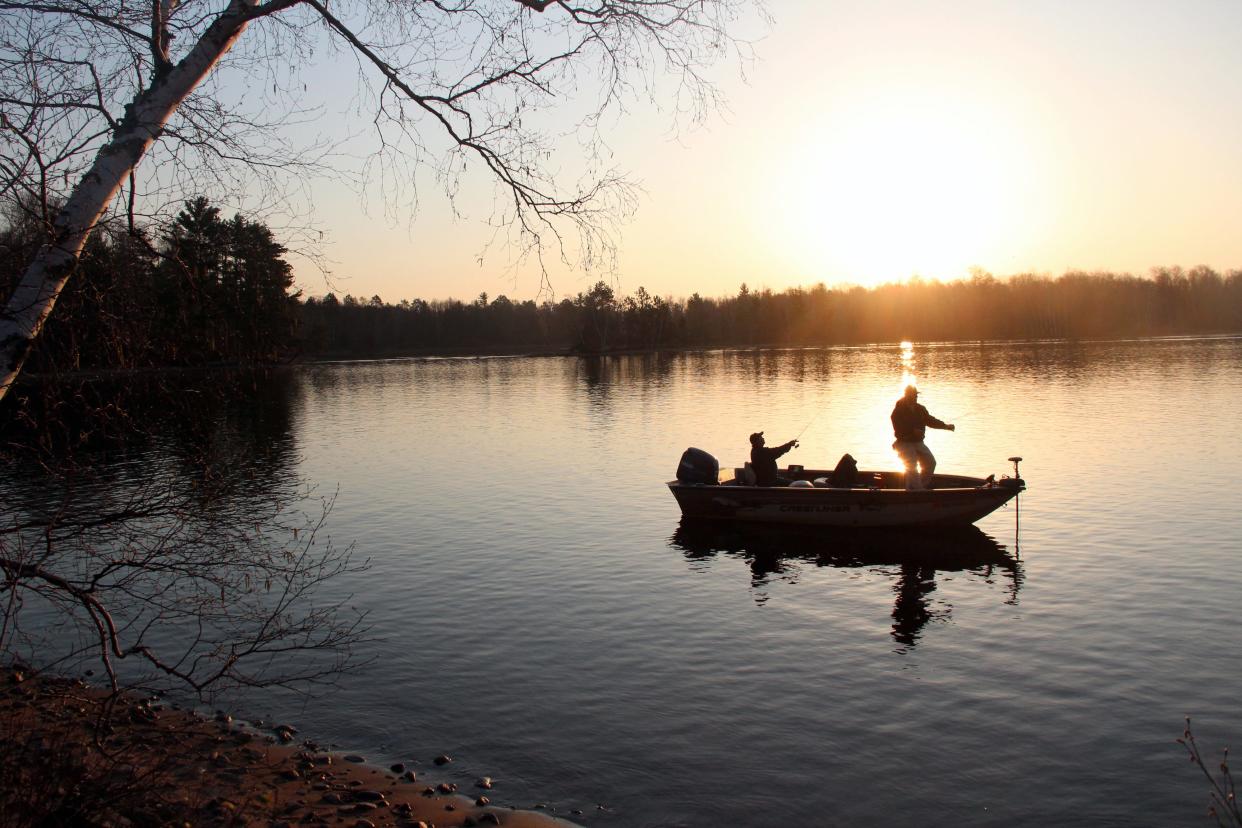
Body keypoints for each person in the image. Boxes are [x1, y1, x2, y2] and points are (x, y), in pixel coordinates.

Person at [890, 385, 955, 490]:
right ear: (907, 395)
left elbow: (930, 420)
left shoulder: (920, 409)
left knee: (930, 462)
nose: (916, 397)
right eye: (914, 395)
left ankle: (920, 487)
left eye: (916, 395)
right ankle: (916, 490)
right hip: (903, 443)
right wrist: (912, 431)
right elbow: (898, 427)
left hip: (918, 443)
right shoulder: (898, 410)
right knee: (911, 465)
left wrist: (945, 426)